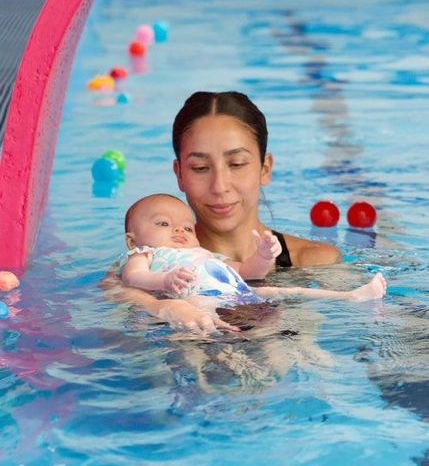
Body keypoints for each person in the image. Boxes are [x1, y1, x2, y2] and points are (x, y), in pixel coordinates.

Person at [102, 91, 345, 333]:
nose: (219, 186)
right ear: (179, 174)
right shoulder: (140, 270)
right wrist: (159, 306)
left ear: (265, 168)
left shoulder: (317, 261)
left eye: (237, 164)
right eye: (200, 167)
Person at [120, 194, 386, 326]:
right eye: (164, 223)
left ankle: (351, 296)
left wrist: (262, 256)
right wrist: (163, 280)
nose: (179, 230)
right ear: (132, 240)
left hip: (240, 292)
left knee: (283, 290)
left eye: (187, 228)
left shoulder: (207, 256)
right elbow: (133, 277)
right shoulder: (146, 254)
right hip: (198, 302)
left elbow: (247, 272)